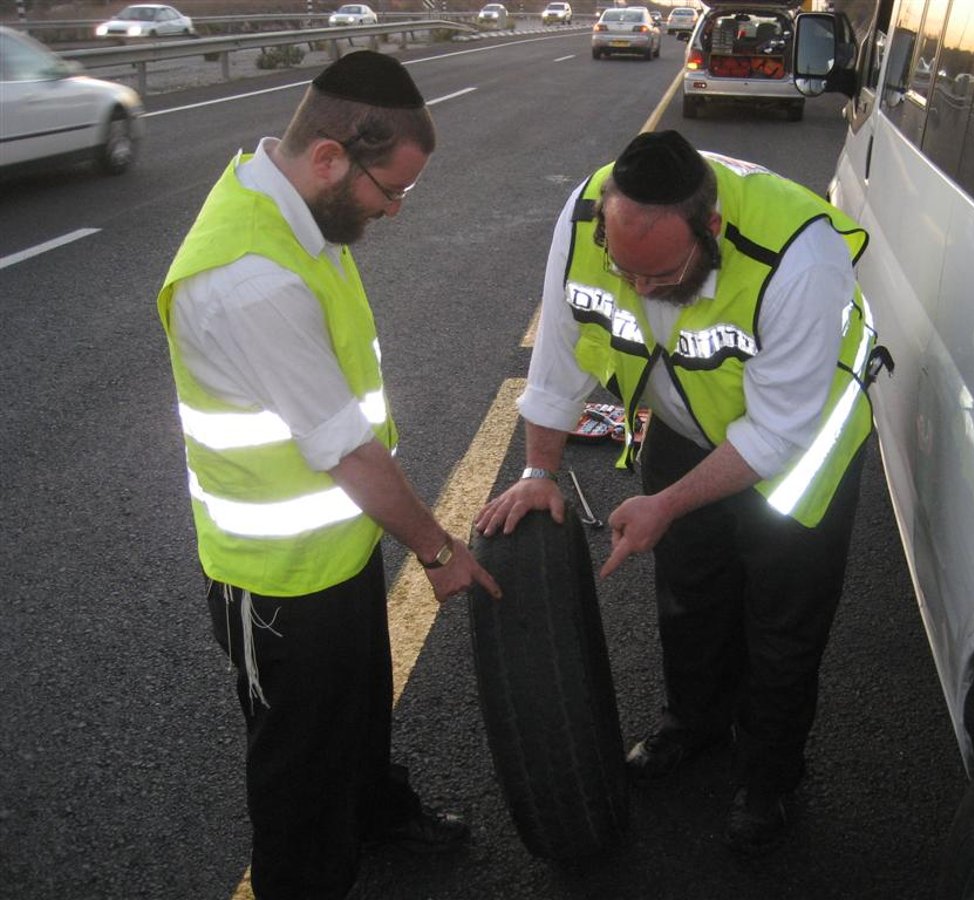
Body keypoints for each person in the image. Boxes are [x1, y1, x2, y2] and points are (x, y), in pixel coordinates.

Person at [475, 131, 883, 856]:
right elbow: (560, 359)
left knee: (781, 630)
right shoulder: (584, 221)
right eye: (625, 271)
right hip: (687, 423)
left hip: (798, 451)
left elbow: (775, 436)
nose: (642, 291)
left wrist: (663, 505)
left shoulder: (800, 257)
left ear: (713, 231)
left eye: (662, 276)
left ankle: (769, 781)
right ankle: (694, 724)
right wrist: (538, 472)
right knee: (690, 592)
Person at [157, 51, 501, 900]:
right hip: (274, 580)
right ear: (328, 158)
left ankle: (376, 813)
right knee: (298, 771)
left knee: (358, 709)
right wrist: (435, 548)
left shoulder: (296, 215)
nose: (393, 212)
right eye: (391, 192)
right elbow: (346, 451)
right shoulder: (250, 278)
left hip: (336, 546)